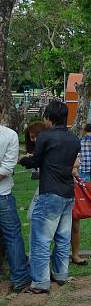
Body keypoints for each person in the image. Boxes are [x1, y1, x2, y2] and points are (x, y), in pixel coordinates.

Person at [18, 101, 80, 294]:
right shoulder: (74, 139)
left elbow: (36, 161)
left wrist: (22, 160)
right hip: (68, 193)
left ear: (48, 117)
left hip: (49, 193)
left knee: (41, 239)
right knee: (62, 237)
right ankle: (61, 274)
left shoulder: (45, 137)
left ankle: (40, 282)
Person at [0, 101, 31, 293]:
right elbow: (6, 169)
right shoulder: (9, 135)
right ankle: (19, 277)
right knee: (12, 236)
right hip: (3, 195)